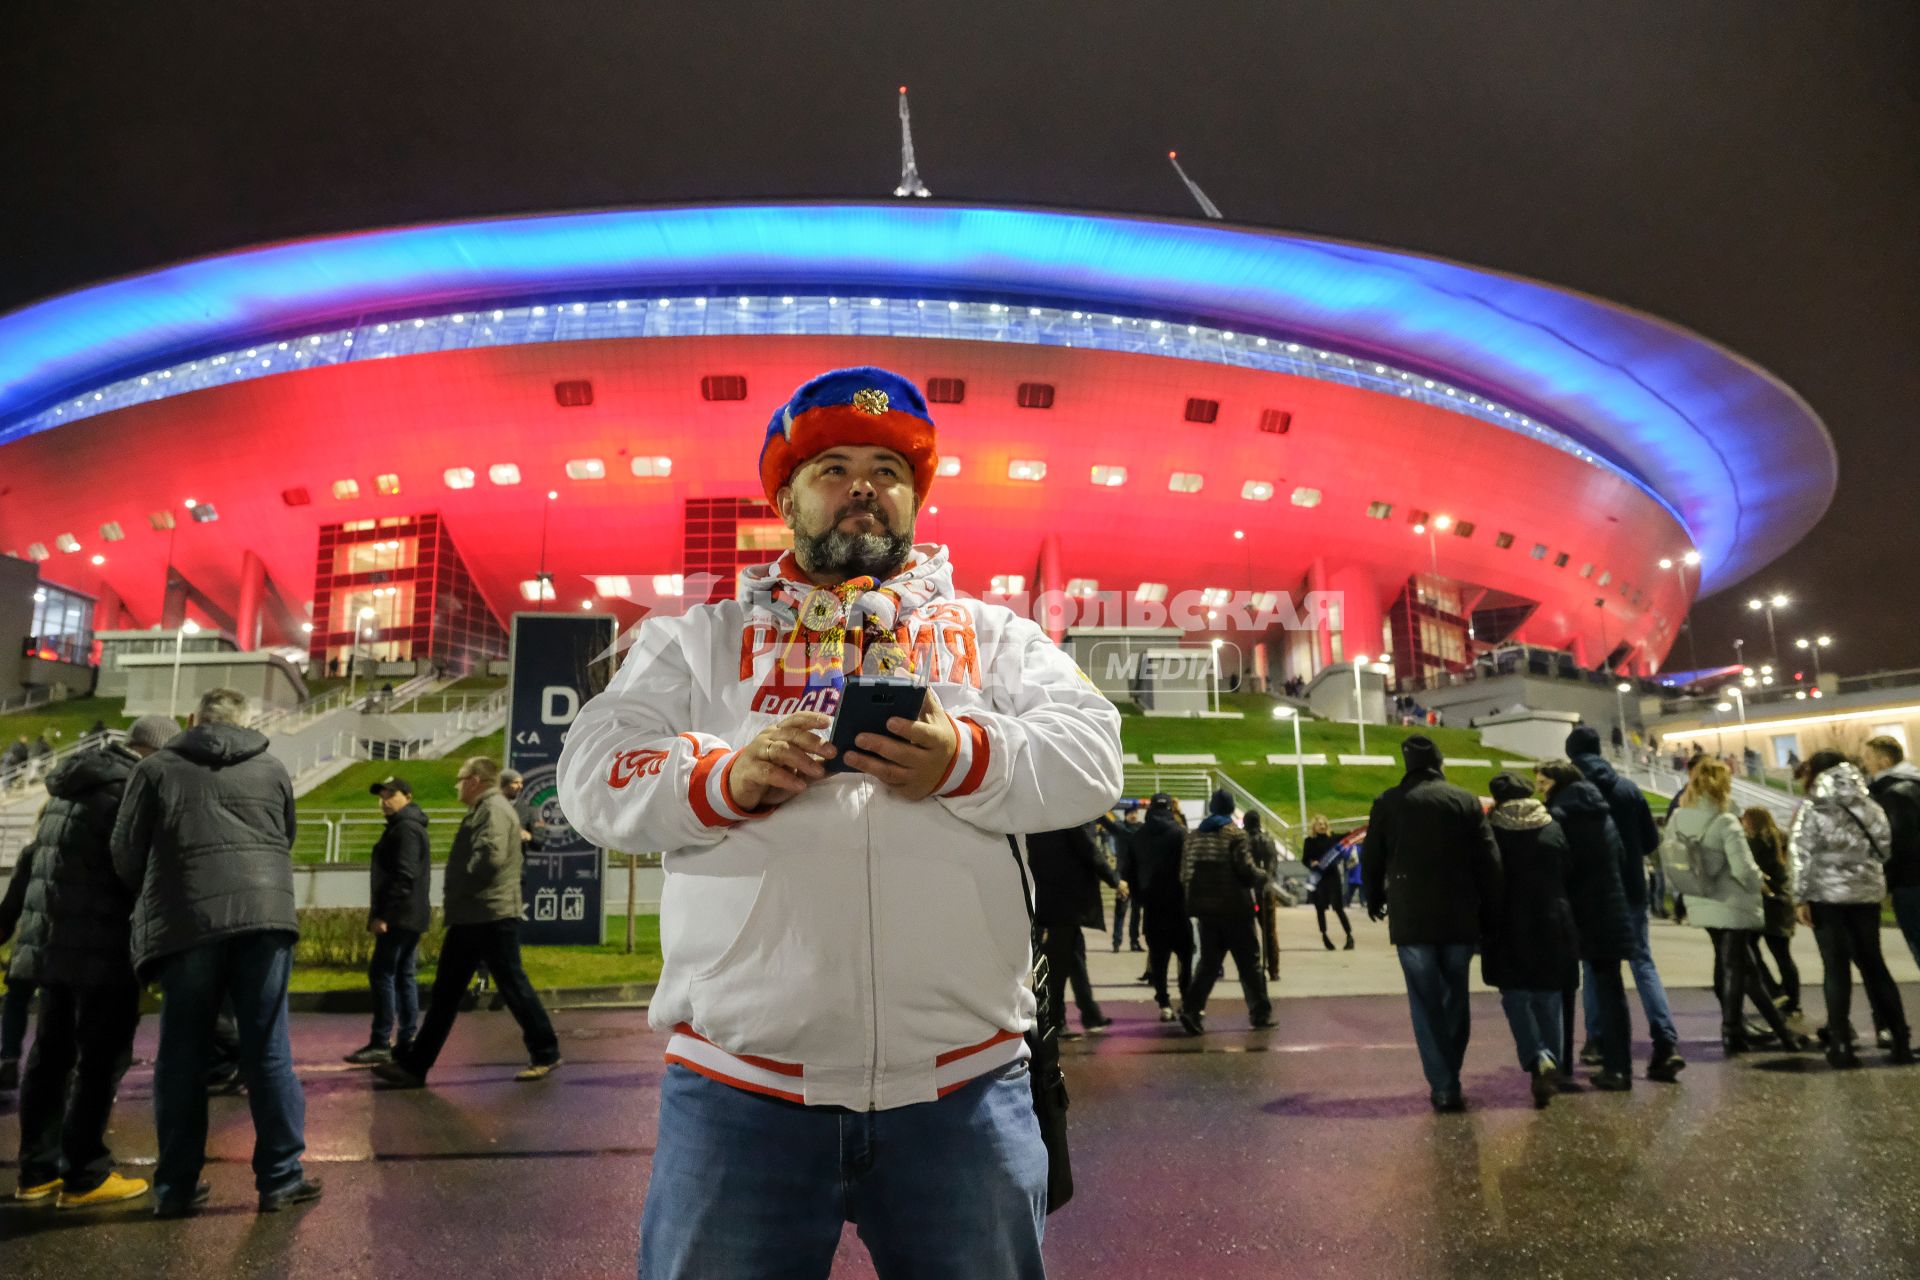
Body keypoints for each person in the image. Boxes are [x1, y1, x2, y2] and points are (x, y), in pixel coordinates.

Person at [553, 366, 1124, 1278]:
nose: (865, 485)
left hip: (966, 1089)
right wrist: (723, 776)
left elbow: (1094, 754)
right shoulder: (693, 638)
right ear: (784, 498)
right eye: (833, 467)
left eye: (889, 471)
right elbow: (590, 773)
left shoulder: (996, 633)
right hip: (739, 1094)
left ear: (916, 500)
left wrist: (966, 758)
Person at [111, 688, 318, 1217]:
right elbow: (285, 836)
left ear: (191, 720)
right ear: (246, 722)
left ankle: (175, 1189)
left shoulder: (156, 769)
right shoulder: (271, 767)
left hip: (188, 923)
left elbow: (125, 851)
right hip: (265, 920)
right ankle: (280, 1179)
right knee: (268, 1049)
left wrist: (158, 894)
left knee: (182, 1057)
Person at [5, 715, 176, 1208]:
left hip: (53, 944)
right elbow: (135, 868)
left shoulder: (68, 788)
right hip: (103, 948)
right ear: (151, 752)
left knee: (50, 1057)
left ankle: (36, 1171)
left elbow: (34, 858)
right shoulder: (127, 791)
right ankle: (85, 1174)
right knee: (100, 1061)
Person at [374, 756, 561, 1088]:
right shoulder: (488, 809)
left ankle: (545, 1051)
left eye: (460, 778)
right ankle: (415, 1065)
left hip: (488, 914)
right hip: (477, 914)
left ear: (475, 780)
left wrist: (462, 885)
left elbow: (490, 857)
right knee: (448, 993)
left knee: (509, 986)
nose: (457, 785)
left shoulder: (492, 810)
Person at [1361, 736, 1502, 1112]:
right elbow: (1489, 861)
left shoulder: (1388, 803)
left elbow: (1371, 857)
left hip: (1412, 917)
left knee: (1424, 1001)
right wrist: (1490, 909)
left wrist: (1374, 897)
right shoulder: (1464, 801)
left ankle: (1443, 1084)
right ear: (1439, 764)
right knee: (1455, 995)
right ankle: (1449, 1071)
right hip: (1459, 916)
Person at [1665, 759, 1810, 1055]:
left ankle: (1774, 1032)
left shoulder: (1678, 817)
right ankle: (1733, 1030)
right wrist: (1764, 882)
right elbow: (1743, 868)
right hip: (1731, 903)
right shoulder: (1725, 821)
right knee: (1736, 968)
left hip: (1701, 899)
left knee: (1742, 969)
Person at [1565, 727, 1684, 1082]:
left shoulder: (1570, 793)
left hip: (1589, 893)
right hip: (1631, 889)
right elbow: (1650, 842)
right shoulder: (1629, 789)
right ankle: (1665, 1039)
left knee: (1593, 967)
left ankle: (1598, 1039)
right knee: (1642, 963)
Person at [1789, 751, 1909, 1068]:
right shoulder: (1870, 806)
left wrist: (1800, 898)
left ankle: (1841, 1043)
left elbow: (1800, 855)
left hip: (1826, 898)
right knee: (1874, 965)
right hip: (1866, 895)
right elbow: (1884, 847)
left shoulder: (1813, 808)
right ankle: (1900, 1037)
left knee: (1836, 968)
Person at [1536, 759, 1637, 1091]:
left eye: (1543, 783)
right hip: (1611, 908)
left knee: (1564, 988)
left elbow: (1558, 866)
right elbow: (1620, 856)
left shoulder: (1560, 818)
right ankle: (1619, 1067)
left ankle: (1562, 1066)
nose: (1539, 789)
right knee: (1611, 991)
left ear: (1558, 784)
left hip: (1577, 912)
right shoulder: (1601, 812)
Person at [1481, 773, 1579, 1109]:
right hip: (1553, 919)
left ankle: (1537, 1057)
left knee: (1515, 996)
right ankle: (1551, 1061)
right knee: (1549, 995)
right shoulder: (1552, 826)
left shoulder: (1492, 830)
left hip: (1509, 923)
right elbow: (1568, 870)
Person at [343, 776, 432, 1066]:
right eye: (381, 796)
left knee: (383, 975)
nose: (383, 801)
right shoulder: (408, 826)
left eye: (390, 795)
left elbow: (404, 875)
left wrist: (384, 915)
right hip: (410, 915)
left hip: (399, 916)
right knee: (404, 976)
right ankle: (406, 1038)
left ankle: (382, 1041)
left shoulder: (405, 829)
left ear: (407, 795)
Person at [1177, 790, 1275, 1035]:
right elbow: (1245, 869)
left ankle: (1191, 1009)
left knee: (1209, 963)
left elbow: (1184, 873)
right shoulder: (1235, 834)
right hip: (1235, 908)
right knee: (1249, 962)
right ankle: (1259, 1012)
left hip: (1205, 910)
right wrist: (1262, 877)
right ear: (1231, 810)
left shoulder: (1194, 835)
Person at [1028, 825, 1122, 1036]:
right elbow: (1089, 850)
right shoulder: (1073, 815)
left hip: (1050, 896)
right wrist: (1114, 880)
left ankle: (1090, 1012)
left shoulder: (1044, 815)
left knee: (1074, 957)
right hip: (1066, 901)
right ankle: (1054, 1021)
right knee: (1058, 965)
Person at [1131, 793, 1196, 1022]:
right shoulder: (1180, 834)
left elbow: (1129, 871)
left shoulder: (1138, 835)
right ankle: (1187, 999)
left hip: (1152, 906)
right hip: (1178, 904)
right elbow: (1189, 867)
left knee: (1158, 959)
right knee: (1186, 954)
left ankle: (1164, 1003)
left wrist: (1140, 898)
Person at [1863, 735, 1920, 969]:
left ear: (1884, 761)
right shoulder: (1914, 785)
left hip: (1910, 883)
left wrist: (1884, 880)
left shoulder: (1893, 794)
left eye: (1868, 758)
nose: (1865, 763)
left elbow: (1895, 843)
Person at [1741, 806, 1802, 1018]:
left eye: (1745, 820)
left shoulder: (1755, 844)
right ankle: (1792, 1001)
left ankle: (1775, 991)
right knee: (1782, 955)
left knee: (1748, 948)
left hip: (1767, 904)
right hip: (1783, 903)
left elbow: (1746, 871)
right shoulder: (1780, 840)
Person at [1302, 816, 1354, 951]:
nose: (1323, 826)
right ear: (1314, 826)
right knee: (1320, 907)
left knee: (1338, 907)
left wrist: (1354, 832)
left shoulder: (1333, 838)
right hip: (1318, 877)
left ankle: (1349, 935)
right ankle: (1324, 935)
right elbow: (1305, 859)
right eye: (1319, 824)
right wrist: (1311, 863)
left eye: (1324, 823)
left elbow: (1347, 837)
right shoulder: (1309, 841)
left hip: (1333, 876)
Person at [1243, 810, 1284, 980]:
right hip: (1266, 890)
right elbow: (1272, 867)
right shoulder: (1268, 840)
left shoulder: (1243, 841)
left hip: (1248, 891)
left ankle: (1251, 967)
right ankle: (1273, 969)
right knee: (1270, 931)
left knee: (1248, 931)